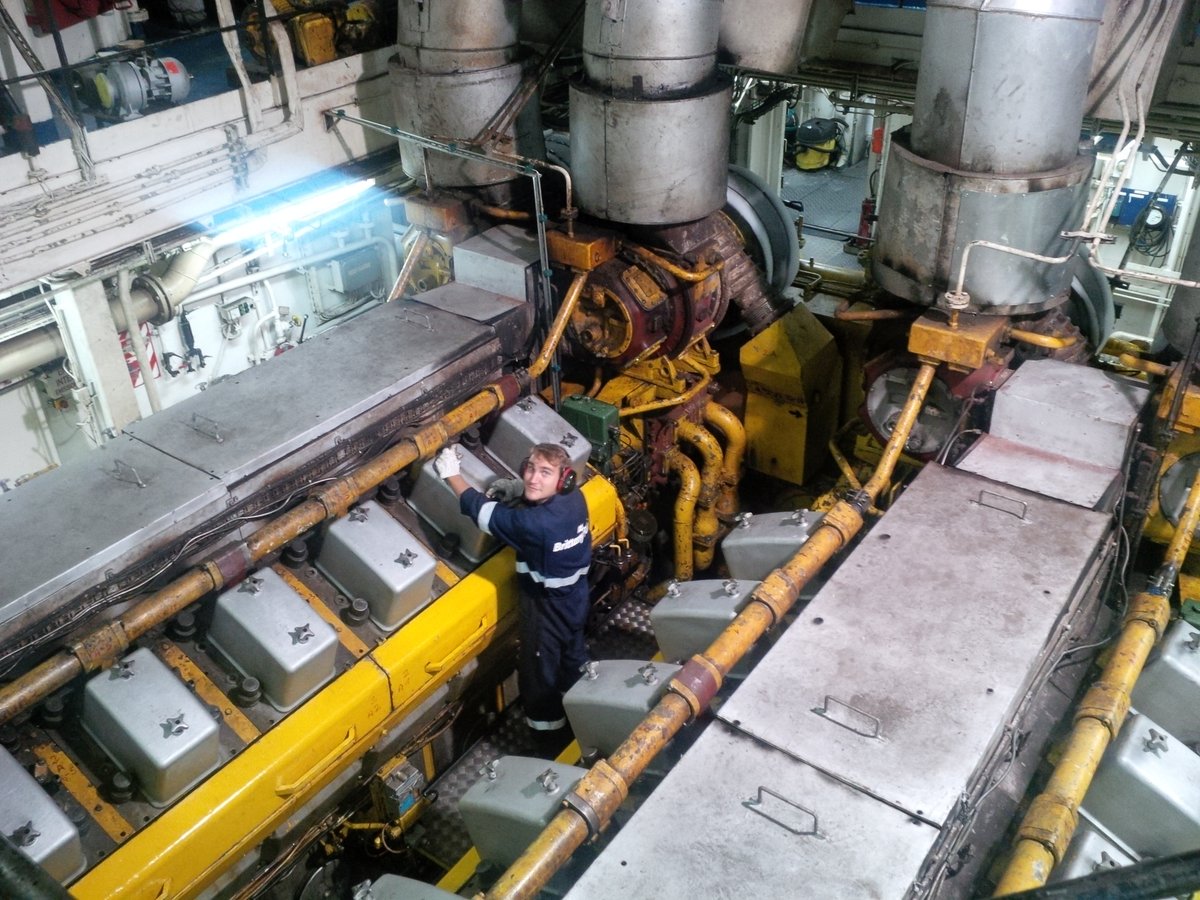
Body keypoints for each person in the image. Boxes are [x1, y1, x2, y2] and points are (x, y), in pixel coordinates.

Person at [434, 441, 592, 737]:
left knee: (538, 679)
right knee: (573, 658)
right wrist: (520, 490)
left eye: (545, 472)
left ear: (562, 479)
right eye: (530, 468)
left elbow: (482, 513)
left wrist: (451, 474)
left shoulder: (537, 525)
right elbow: (536, 495)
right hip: (576, 600)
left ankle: (549, 739)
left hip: (545, 613)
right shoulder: (575, 498)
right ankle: (586, 712)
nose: (533, 478)